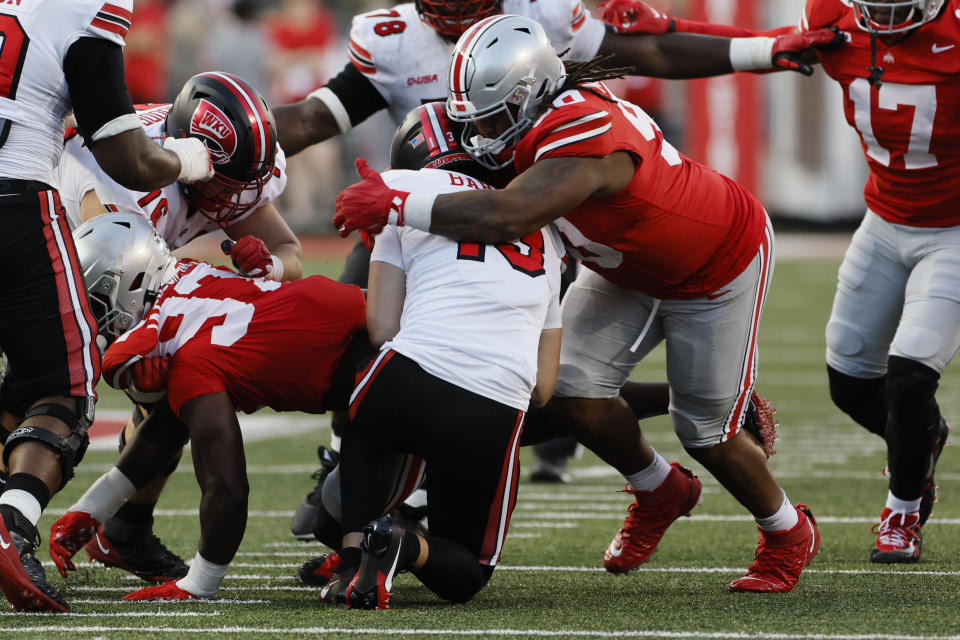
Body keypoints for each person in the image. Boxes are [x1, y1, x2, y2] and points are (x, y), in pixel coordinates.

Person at [280, 0, 837, 536]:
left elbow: (510, 212)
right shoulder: (510, 102)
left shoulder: (583, 129)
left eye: (493, 118)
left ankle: (787, 531)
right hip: (620, 261)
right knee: (567, 395)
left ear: (528, 94)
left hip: (713, 261)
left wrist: (399, 203)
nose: (479, 137)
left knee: (706, 433)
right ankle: (658, 487)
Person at [597, 0, 956, 565]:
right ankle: (923, 439)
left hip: (955, 230)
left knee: (910, 374)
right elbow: (760, 44)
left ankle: (903, 509)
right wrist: (667, 28)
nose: (886, 13)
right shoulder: (840, 19)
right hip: (885, 218)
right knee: (851, 383)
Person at [39, 70, 301, 583]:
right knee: (48, 391)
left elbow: (290, 254)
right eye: (224, 186)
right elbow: (113, 297)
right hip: (56, 244)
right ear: (188, 156)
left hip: (121, 258)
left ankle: (124, 529)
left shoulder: (237, 166)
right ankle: (21, 522)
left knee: (183, 375)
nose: (236, 201)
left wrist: (269, 266)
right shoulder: (124, 184)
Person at [0, 0, 212, 613]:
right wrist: (193, 158)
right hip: (14, 195)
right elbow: (129, 159)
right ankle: (11, 524)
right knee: (62, 390)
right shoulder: (83, 10)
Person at [46, 212, 370, 602]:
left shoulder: (190, 358)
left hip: (397, 379)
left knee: (337, 522)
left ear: (128, 283)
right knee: (337, 516)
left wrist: (199, 583)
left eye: (96, 303)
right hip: (378, 332)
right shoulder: (189, 274)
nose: (93, 320)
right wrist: (92, 508)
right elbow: (168, 426)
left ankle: (408, 535)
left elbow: (228, 487)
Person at [320, 102, 564, 609]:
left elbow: (382, 326)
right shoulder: (545, 225)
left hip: (402, 381)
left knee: (368, 415)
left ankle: (349, 561)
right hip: (491, 405)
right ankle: (400, 546)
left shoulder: (400, 198)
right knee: (464, 576)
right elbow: (542, 389)